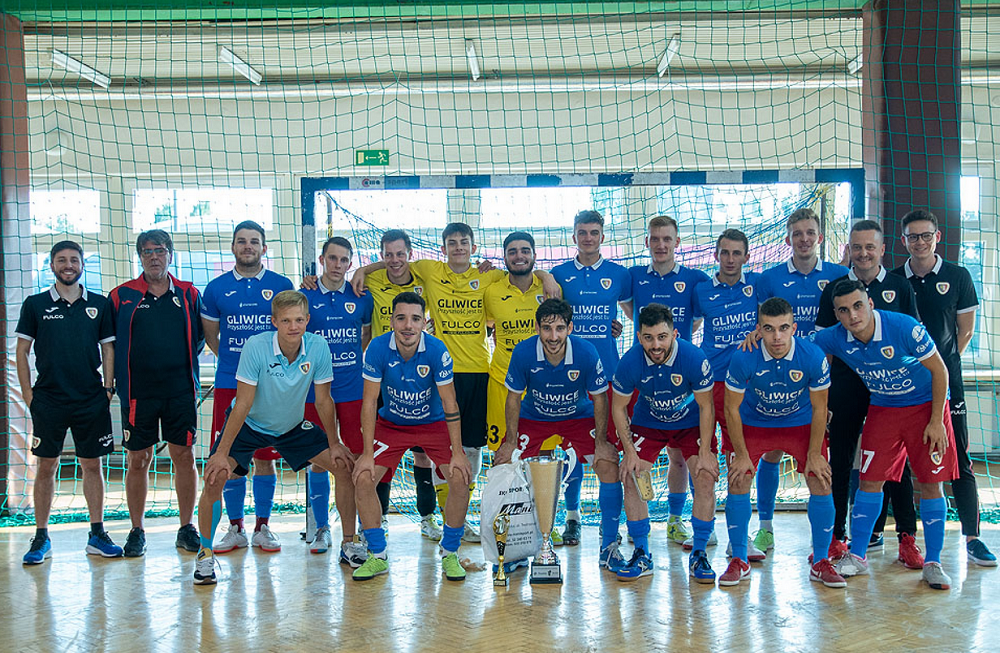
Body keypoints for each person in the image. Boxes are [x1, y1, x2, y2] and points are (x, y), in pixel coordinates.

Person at [352, 222, 560, 543]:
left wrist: (546, 276)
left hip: (479, 371)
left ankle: (468, 517)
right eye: (452, 242)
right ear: (443, 248)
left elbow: (525, 274)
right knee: (442, 448)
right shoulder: (431, 270)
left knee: (472, 448)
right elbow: (397, 262)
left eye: (464, 242)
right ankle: (438, 518)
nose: (458, 247)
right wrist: (363, 269)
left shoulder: (490, 277)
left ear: (473, 248)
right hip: (437, 372)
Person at [193, 291, 354, 585]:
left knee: (343, 466)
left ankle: (349, 544)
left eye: (299, 320)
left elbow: (323, 401)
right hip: (249, 425)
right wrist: (220, 453)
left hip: (291, 427)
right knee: (215, 476)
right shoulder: (256, 347)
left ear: (307, 320)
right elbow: (241, 403)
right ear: (274, 322)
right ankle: (205, 556)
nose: (294, 326)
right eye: (286, 321)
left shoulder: (318, 347)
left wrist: (335, 443)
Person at [813, 280, 958, 590]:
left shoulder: (904, 327)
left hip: (925, 408)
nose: (852, 315)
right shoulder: (834, 338)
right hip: (883, 408)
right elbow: (796, 345)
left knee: (932, 484)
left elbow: (940, 371)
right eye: (843, 310)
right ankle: (859, 557)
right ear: (836, 315)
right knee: (869, 481)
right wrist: (759, 335)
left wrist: (936, 421)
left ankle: (933, 563)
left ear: (870, 304)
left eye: (857, 306)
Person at [494, 299, 632, 576]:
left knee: (608, 465)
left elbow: (599, 398)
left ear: (570, 327)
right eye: (547, 329)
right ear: (537, 328)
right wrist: (510, 441)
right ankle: (516, 549)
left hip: (578, 417)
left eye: (559, 328)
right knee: (505, 466)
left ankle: (609, 546)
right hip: (536, 417)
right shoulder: (523, 352)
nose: (553, 336)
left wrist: (602, 441)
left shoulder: (586, 351)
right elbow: (513, 399)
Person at [816, 220, 923, 568]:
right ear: (849, 249)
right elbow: (822, 349)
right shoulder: (833, 289)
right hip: (846, 387)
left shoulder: (898, 286)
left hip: (891, 391)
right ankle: (837, 537)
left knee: (896, 465)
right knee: (842, 460)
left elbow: (911, 339)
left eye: (870, 247)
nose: (863, 253)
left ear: (881, 249)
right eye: (856, 246)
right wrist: (826, 396)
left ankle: (906, 537)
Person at [893, 209, 996, 566]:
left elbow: (964, 331)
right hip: (904, 385)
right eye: (912, 236)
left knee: (959, 458)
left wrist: (940, 368)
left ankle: (973, 537)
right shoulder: (894, 280)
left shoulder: (958, 276)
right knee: (901, 461)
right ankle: (906, 537)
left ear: (938, 237)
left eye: (926, 235)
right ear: (903, 241)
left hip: (947, 381)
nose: (919, 242)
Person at [722, 298, 844, 588]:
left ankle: (821, 561)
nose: (777, 336)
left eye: (783, 328)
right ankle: (739, 559)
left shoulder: (812, 356)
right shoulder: (743, 357)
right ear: (759, 330)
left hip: (799, 422)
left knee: (821, 478)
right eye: (769, 329)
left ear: (794, 328)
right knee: (738, 478)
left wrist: (815, 453)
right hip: (755, 422)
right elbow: (730, 409)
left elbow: (819, 408)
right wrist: (740, 454)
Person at [351, 292, 472, 581]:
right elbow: (369, 402)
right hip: (392, 426)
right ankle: (377, 555)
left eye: (415, 319)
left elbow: (450, 403)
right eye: (401, 318)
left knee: (459, 477)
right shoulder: (378, 348)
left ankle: (450, 553)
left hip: (433, 425)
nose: (408, 325)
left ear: (424, 322)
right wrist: (367, 453)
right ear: (391, 320)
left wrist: (457, 451)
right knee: (363, 477)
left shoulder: (437, 350)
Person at [16, 240, 123, 564]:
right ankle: (41, 536)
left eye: (74, 260)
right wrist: (28, 394)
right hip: (48, 398)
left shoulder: (100, 304)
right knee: (47, 465)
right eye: (61, 260)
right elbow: (21, 351)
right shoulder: (34, 304)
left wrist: (107, 389)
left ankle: (97, 533)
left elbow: (109, 349)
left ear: (81, 265)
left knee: (93, 464)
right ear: (51, 265)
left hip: (91, 398)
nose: (68, 265)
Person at [750, 208, 848, 555]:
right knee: (772, 452)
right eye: (797, 234)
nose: (804, 239)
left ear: (819, 236)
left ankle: (830, 537)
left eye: (810, 232)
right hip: (778, 378)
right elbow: (759, 325)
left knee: (823, 456)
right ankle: (765, 528)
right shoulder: (770, 278)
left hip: (825, 375)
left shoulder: (840, 275)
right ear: (788, 238)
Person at [108, 230, 205, 556]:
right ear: (140, 257)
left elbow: (201, 338)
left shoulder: (189, 294)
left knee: (184, 456)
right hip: (138, 394)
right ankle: (136, 530)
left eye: (159, 250)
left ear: (170, 255)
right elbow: (109, 344)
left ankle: (185, 527)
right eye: (147, 251)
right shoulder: (121, 296)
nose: (154, 256)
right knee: (138, 459)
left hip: (180, 392)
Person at [201, 220, 294, 553]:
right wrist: (237, 364)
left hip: (272, 384)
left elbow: (291, 330)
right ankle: (237, 527)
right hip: (230, 382)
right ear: (233, 248)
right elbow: (212, 336)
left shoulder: (281, 285)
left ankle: (263, 526)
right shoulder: (215, 289)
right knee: (231, 458)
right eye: (241, 241)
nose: (248, 246)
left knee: (265, 457)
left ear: (264, 248)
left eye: (254, 241)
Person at [612, 303, 719, 583]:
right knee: (632, 476)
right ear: (639, 337)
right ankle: (642, 553)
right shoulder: (630, 361)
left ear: (674, 334)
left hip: (690, 423)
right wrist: (629, 452)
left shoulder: (694, 358)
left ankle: (699, 553)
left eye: (662, 337)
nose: (655, 344)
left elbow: (707, 407)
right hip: (650, 422)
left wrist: (706, 452)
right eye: (648, 337)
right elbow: (618, 407)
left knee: (705, 475)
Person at [622, 215, 709, 545]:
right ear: (647, 242)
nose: (661, 245)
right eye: (655, 239)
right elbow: (632, 311)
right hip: (645, 378)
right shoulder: (633, 277)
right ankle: (641, 519)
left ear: (677, 243)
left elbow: (698, 320)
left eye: (667, 239)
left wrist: (673, 343)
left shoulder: (694, 279)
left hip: (680, 376)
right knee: (636, 463)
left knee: (679, 458)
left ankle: (675, 519)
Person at [550, 211, 630, 546]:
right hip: (568, 374)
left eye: (594, 232)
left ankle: (612, 524)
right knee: (569, 450)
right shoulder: (558, 275)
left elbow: (630, 313)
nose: (588, 238)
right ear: (573, 236)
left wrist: (620, 326)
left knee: (607, 448)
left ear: (602, 236)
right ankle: (573, 518)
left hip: (607, 372)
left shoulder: (619, 275)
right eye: (582, 232)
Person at [353, 229, 438, 538]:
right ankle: (382, 516)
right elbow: (360, 275)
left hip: (420, 374)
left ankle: (427, 516)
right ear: (381, 256)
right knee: (382, 451)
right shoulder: (372, 281)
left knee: (423, 452)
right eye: (388, 254)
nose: (395, 260)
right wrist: (364, 269)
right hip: (382, 375)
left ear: (409, 254)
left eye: (400, 254)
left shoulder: (424, 278)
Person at [302, 237, 372, 563]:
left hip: (353, 391)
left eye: (344, 260)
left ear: (350, 263)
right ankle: (319, 527)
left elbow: (366, 337)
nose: (337, 265)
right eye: (332, 258)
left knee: (355, 461)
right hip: (315, 393)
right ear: (322, 259)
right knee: (319, 459)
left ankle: (353, 533)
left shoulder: (361, 298)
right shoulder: (305, 296)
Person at [692, 228, 761, 557]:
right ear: (715, 255)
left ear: (747, 257)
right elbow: (687, 324)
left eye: (737, 253)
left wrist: (759, 330)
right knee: (704, 458)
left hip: (745, 387)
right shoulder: (701, 290)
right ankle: (704, 529)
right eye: (724, 253)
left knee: (738, 462)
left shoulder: (758, 285)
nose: (730, 259)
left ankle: (740, 538)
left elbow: (780, 315)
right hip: (708, 386)